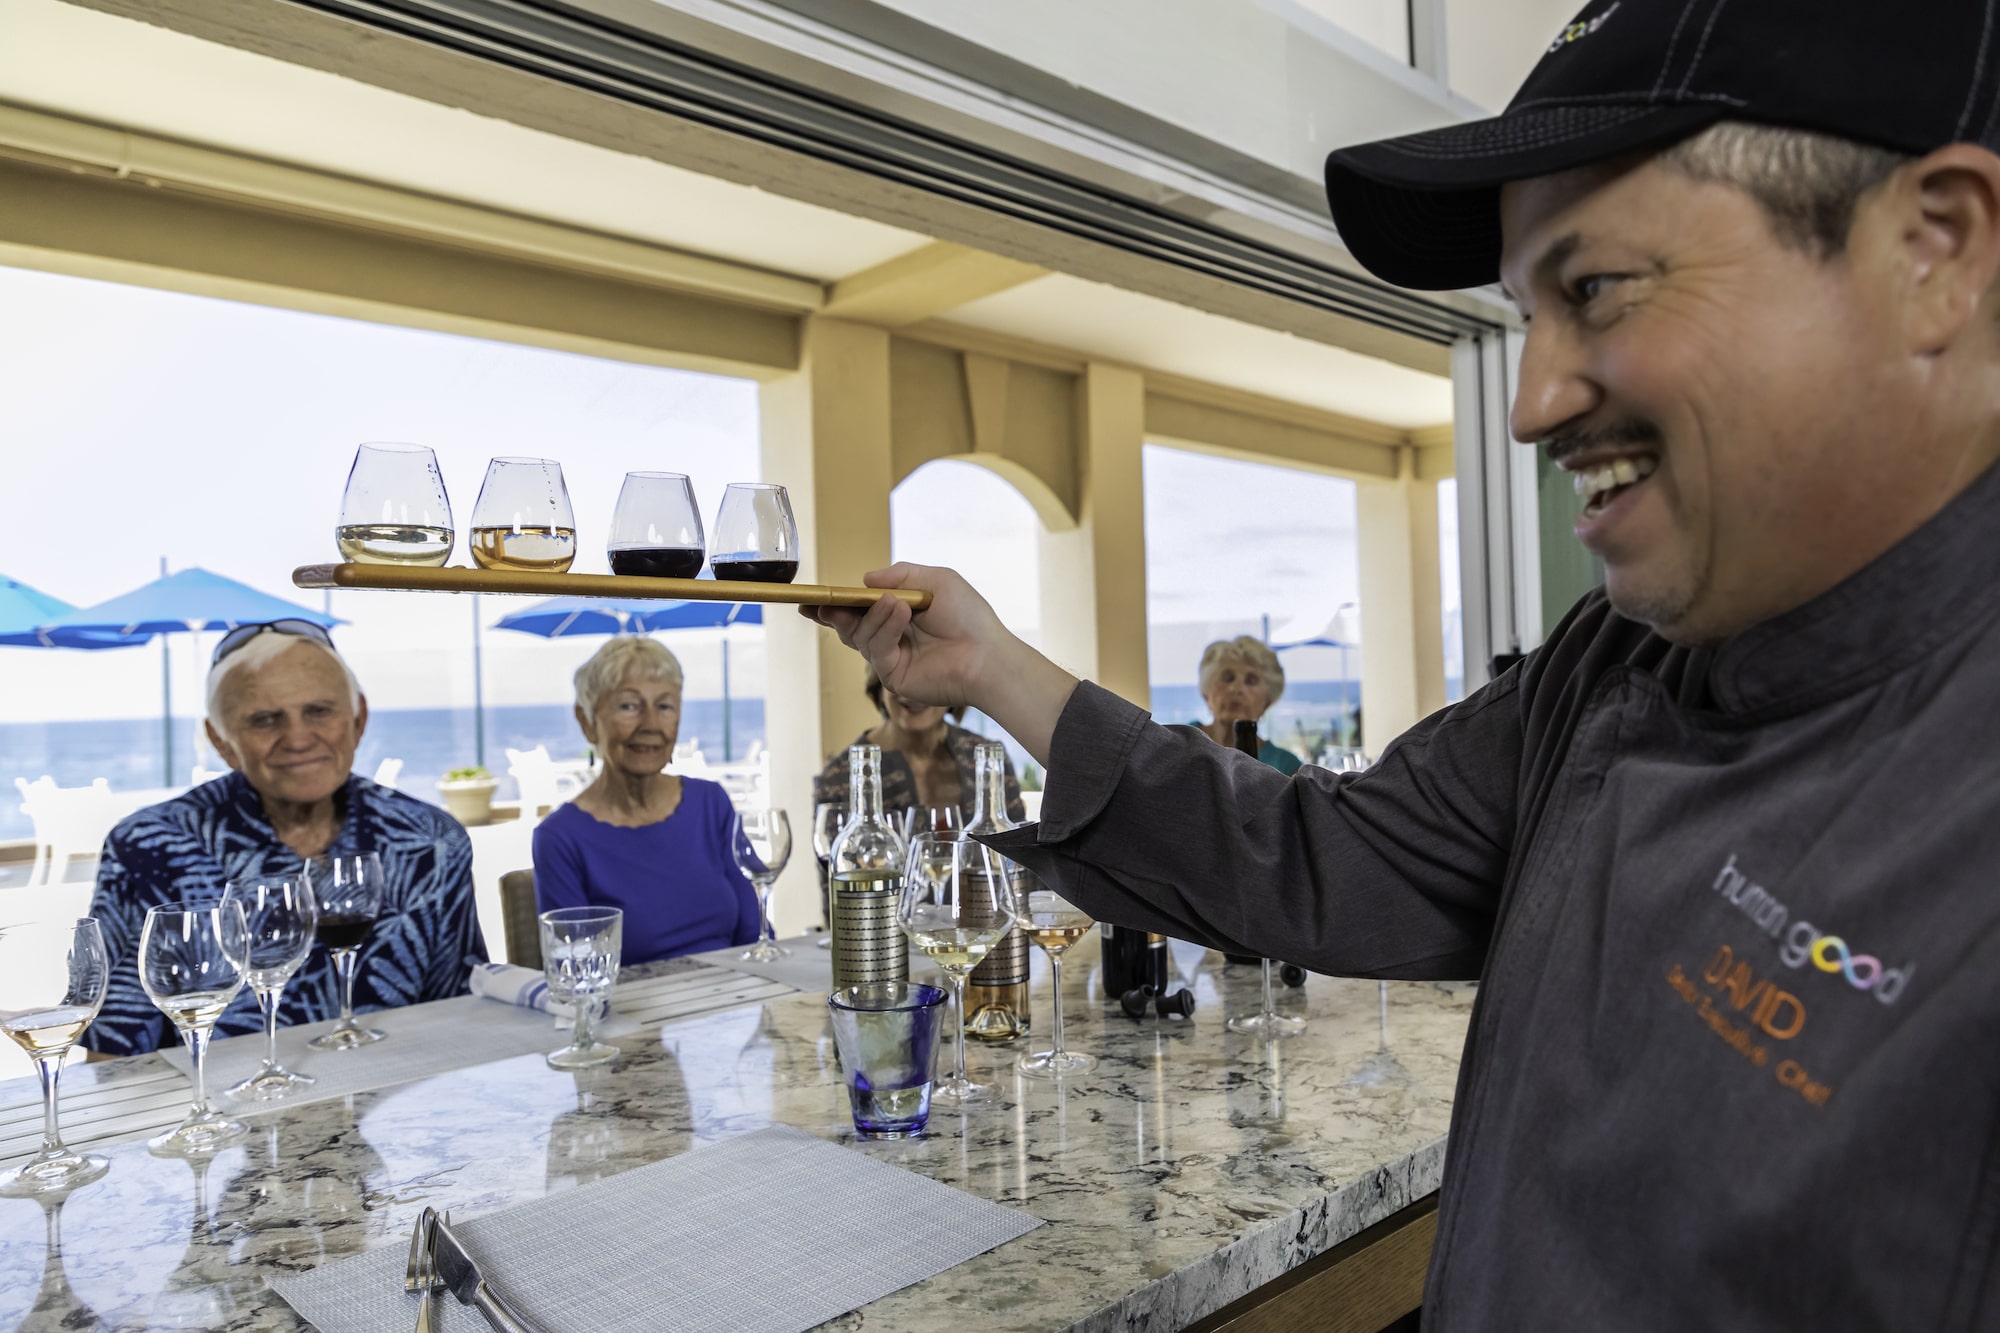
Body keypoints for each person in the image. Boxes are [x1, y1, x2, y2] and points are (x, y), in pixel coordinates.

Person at [807, 3, 2000, 1325]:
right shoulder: (1611, 660)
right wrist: (996, 671)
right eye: (1522, 312)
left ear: (1932, 253)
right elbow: (1322, 850)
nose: (1534, 402)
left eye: (1594, 288)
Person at [85, 621, 486, 1057]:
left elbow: (460, 1014)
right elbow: (113, 1055)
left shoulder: (429, 840)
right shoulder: (149, 846)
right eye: (264, 719)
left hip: (396, 1099)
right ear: (222, 741)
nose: (297, 739)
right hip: (219, 1110)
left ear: (359, 719)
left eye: (319, 711)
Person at [532, 636, 758, 964]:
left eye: (664, 706)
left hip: (736, 1000)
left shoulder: (711, 804)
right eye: (628, 706)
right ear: (586, 721)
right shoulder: (560, 838)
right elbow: (575, 967)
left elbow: (757, 932)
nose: (651, 724)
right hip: (632, 1010)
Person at [812, 666, 1025, 827]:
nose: (913, 690)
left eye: (930, 676)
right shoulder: (838, 778)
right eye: (898, 673)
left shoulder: (988, 758)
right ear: (878, 685)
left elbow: (1020, 864)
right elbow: (836, 879)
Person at [1193, 636, 1301, 775]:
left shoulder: (1287, 767)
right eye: (1228, 678)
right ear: (1206, 692)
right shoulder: (1180, 743)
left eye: (1251, 681)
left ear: (1267, 701)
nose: (1237, 688)